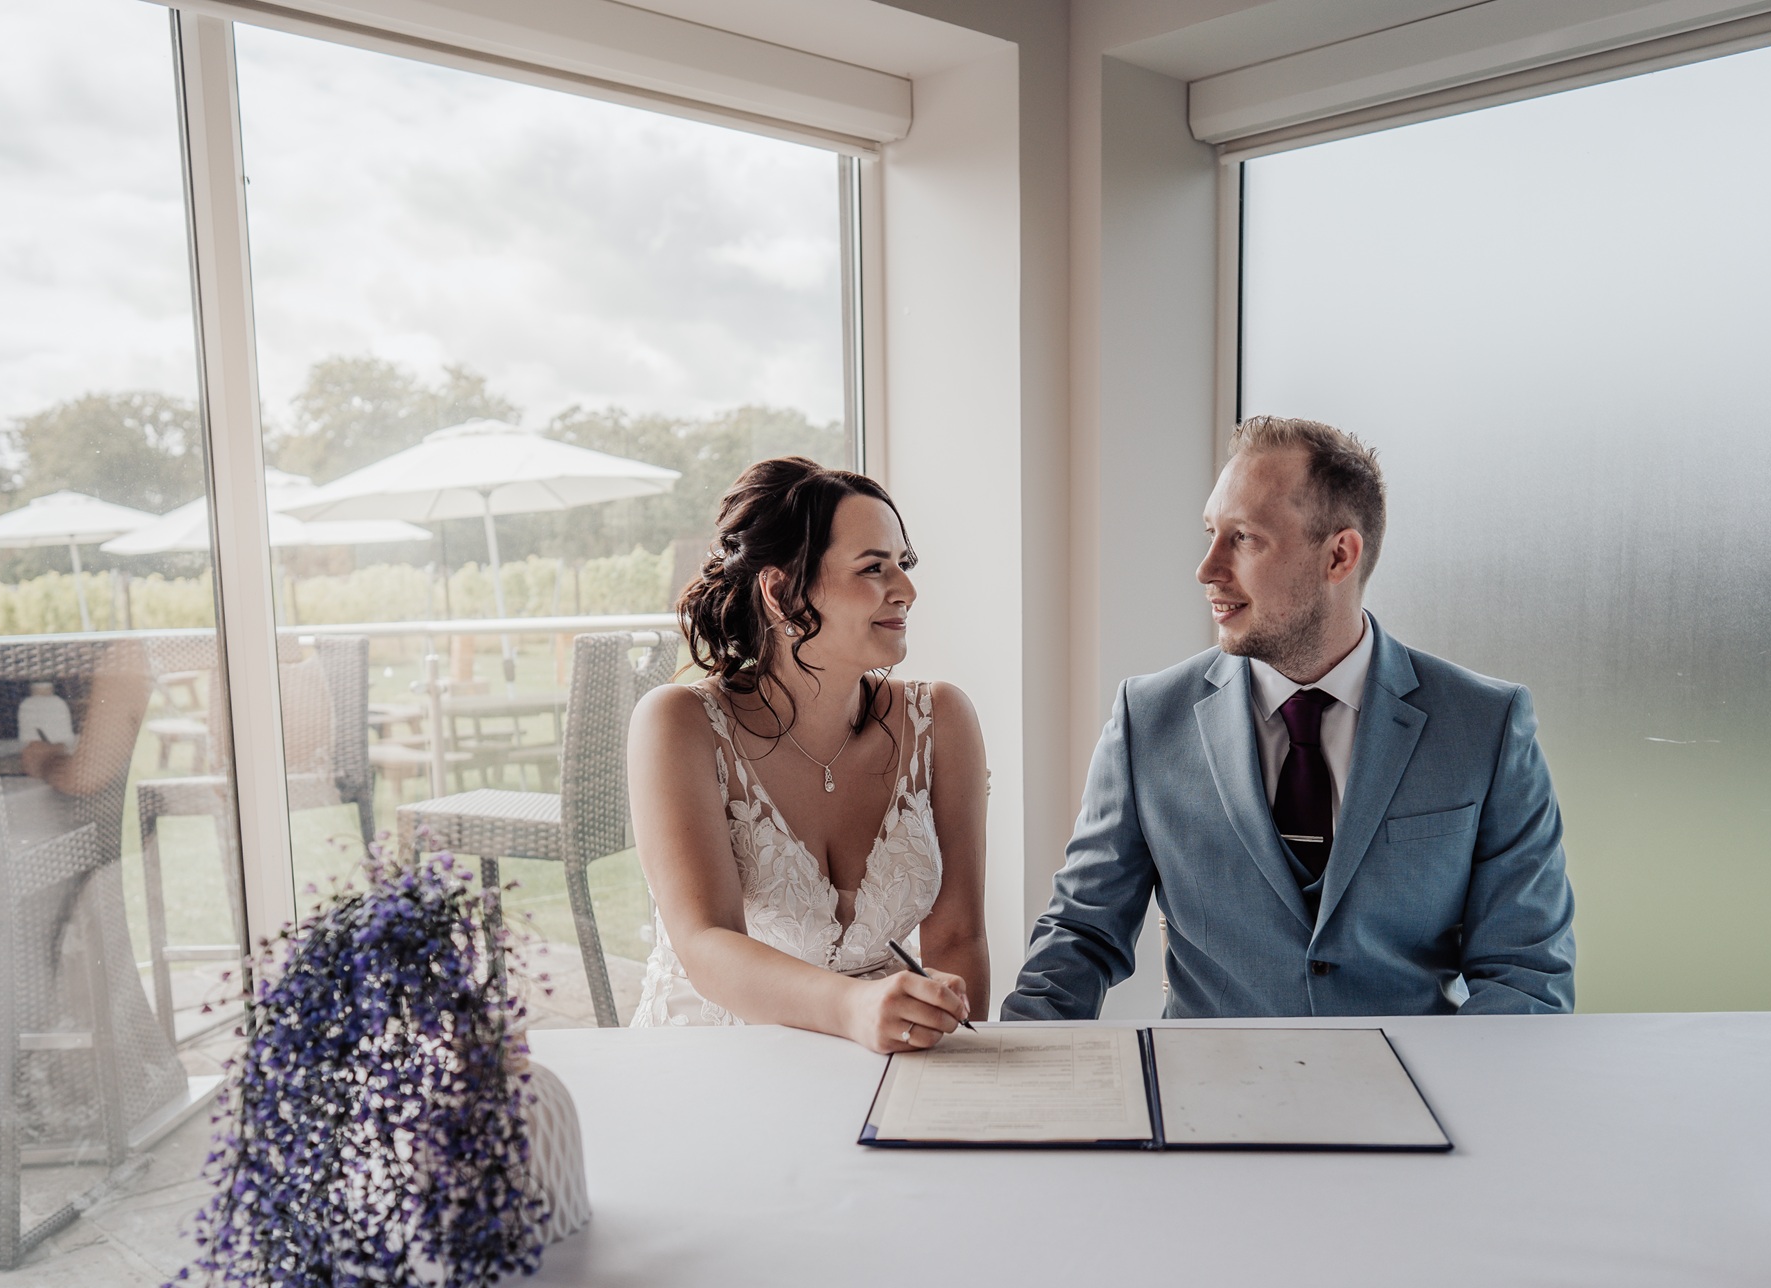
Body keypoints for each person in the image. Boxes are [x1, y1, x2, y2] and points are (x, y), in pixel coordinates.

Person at [1005, 415, 1574, 1021]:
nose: (1207, 569)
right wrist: (1002, 1081)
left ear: (1338, 555)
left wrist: (1444, 1106)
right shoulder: (1146, 721)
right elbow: (1079, 939)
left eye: (1244, 538)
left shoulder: (1485, 725)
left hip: (1410, 1100)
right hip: (1207, 1102)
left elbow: (1524, 976)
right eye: (1210, 533)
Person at [629, 457, 990, 1052]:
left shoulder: (942, 720)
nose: (906, 590)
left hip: (879, 1054)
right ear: (780, 591)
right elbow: (705, 943)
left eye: (903, 564)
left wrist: (955, 1064)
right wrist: (854, 1007)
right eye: (873, 568)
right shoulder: (680, 724)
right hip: (707, 1054)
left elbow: (958, 937)